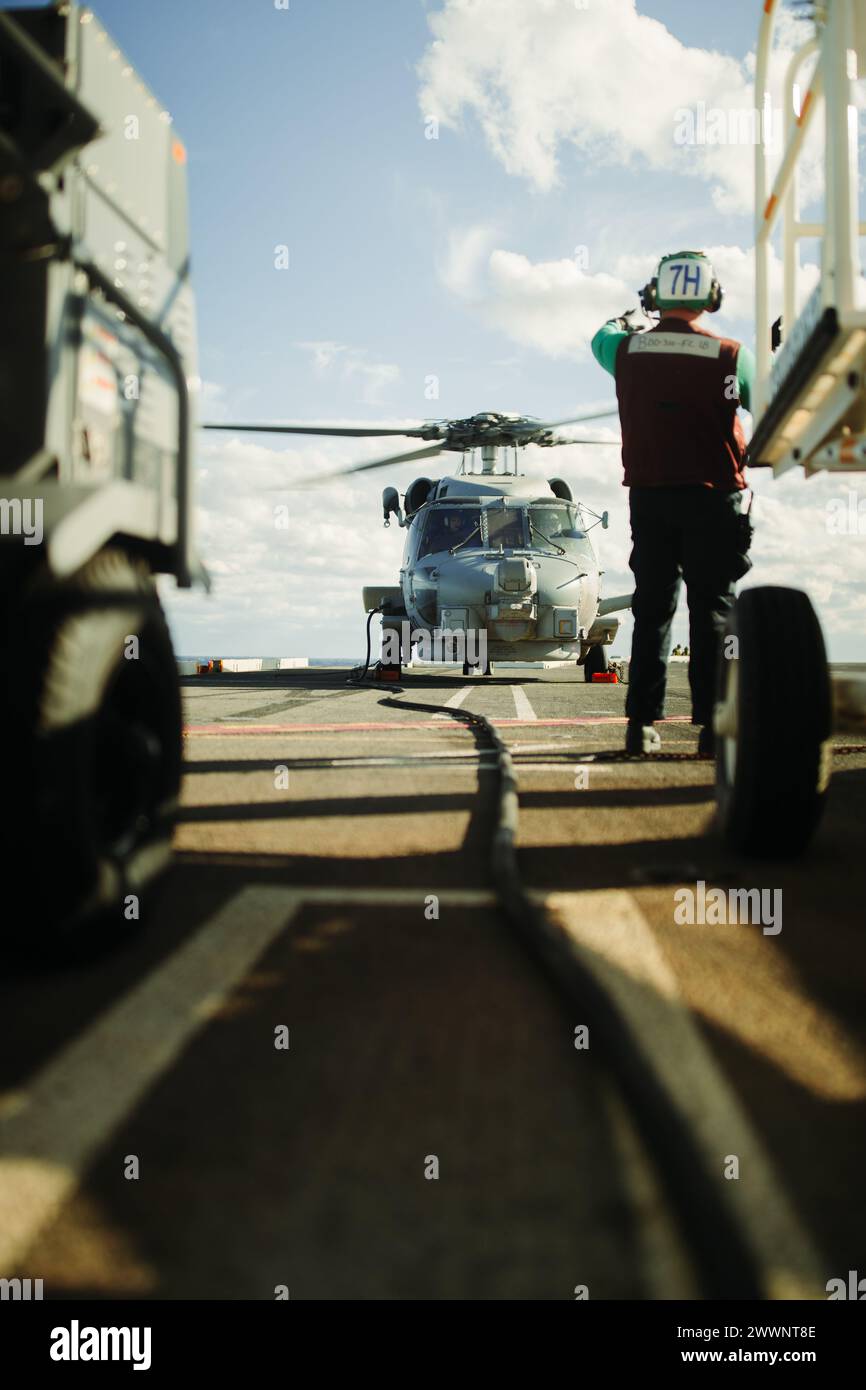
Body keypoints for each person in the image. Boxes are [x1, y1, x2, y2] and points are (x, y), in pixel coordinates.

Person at [591, 250, 755, 757]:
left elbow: (601, 337)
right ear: (712, 297)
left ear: (655, 295)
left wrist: (624, 319)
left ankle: (640, 724)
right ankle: (711, 729)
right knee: (713, 612)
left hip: (651, 497)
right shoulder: (731, 353)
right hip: (714, 497)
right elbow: (763, 398)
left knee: (653, 609)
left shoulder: (625, 351)